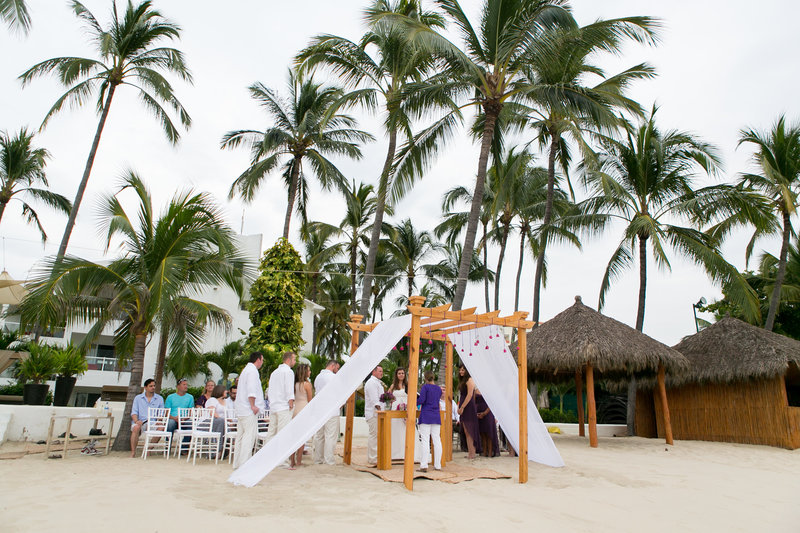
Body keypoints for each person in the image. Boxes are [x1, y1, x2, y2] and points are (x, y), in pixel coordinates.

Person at [264, 351, 297, 468]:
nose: (295, 361)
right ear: (289, 359)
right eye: (294, 359)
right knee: (283, 434)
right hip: (283, 407)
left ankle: (267, 458)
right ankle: (282, 461)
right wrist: (291, 402)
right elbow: (289, 389)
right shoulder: (288, 372)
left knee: (271, 433)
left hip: (274, 406)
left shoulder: (275, 372)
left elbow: (270, 390)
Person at [233, 352, 265, 469]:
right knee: (248, 436)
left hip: (241, 409)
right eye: (262, 360)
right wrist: (253, 405)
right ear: (258, 359)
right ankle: (244, 464)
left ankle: (237, 463)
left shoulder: (245, 370)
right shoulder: (252, 371)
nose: (262, 362)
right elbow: (251, 390)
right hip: (248, 409)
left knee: (240, 436)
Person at [313, 359, 340, 465]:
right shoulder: (333, 377)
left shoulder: (318, 377)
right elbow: (338, 392)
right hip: (331, 409)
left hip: (319, 409)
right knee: (330, 436)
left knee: (319, 435)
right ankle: (329, 460)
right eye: (337, 368)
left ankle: (318, 459)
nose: (337, 370)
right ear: (332, 366)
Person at [130, 378, 164, 458]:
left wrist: (159, 420)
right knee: (136, 428)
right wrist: (136, 421)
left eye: (154, 386)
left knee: (161, 428)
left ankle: (148, 449)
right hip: (141, 421)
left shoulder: (159, 398)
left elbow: (161, 413)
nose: (153, 387)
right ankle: (133, 452)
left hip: (152, 422)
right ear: (145, 387)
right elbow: (134, 412)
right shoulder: (138, 398)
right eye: (150, 386)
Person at [417, 371, 442, 472]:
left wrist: (414, 400)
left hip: (426, 415)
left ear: (425, 378)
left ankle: (424, 465)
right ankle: (438, 465)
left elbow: (421, 400)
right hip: (436, 416)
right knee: (437, 441)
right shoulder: (439, 389)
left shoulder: (425, 387)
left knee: (425, 441)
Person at [290, 363, 312, 467]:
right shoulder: (307, 385)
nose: (310, 372)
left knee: (293, 437)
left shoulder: (294, 384)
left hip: (295, 410)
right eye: (308, 370)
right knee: (301, 437)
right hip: (304, 410)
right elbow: (310, 400)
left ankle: (292, 461)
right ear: (305, 373)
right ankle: (298, 461)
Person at [364, 365, 385, 466]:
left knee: (377, 436)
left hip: (378, 414)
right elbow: (375, 400)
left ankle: (376, 457)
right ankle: (373, 459)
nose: (381, 373)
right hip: (373, 414)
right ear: (374, 372)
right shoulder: (371, 383)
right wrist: (380, 411)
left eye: (382, 371)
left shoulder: (377, 383)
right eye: (379, 371)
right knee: (374, 435)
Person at [457, 364, 479, 459]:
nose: (461, 372)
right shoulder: (463, 381)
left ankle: (472, 453)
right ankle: (470, 452)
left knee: (470, 430)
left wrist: (462, 407)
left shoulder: (470, 380)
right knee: (466, 430)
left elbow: (469, 395)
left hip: (468, 407)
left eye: (463, 370)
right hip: (464, 406)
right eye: (460, 370)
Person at [475, 388, 500, 457]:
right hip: (478, 414)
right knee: (482, 434)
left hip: (488, 413)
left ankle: (490, 453)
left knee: (489, 434)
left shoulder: (489, 389)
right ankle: (484, 452)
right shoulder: (476, 390)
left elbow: (492, 403)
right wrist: (476, 413)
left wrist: (484, 413)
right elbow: (474, 402)